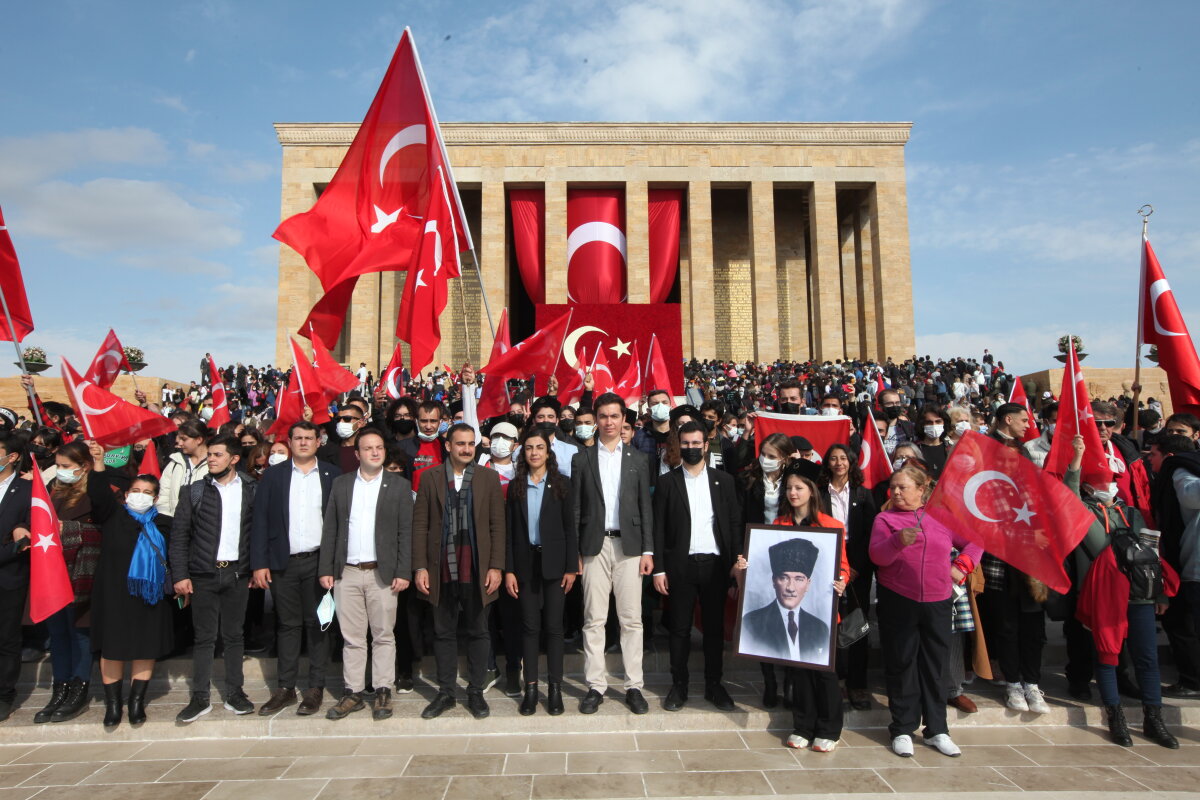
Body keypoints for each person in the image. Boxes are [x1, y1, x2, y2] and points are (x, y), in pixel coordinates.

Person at [1071, 432, 1179, 749]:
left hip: (1140, 594)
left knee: (1147, 658)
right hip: (1104, 595)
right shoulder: (1085, 513)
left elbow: (1152, 552)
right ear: (1090, 487)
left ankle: (1153, 718)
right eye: (1104, 480)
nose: (1111, 485)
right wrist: (1076, 461)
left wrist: (1159, 594)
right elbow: (1068, 495)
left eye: (1112, 480)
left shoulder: (1130, 513)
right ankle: (1116, 717)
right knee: (1108, 656)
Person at [870, 465, 982, 758]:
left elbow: (976, 541)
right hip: (899, 600)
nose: (896, 493)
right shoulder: (885, 518)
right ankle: (903, 728)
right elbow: (877, 556)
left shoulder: (942, 517)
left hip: (938, 601)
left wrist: (961, 566)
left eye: (903, 487)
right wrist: (897, 540)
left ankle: (937, 729)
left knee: (935, 666)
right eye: (893, 487)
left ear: (922, 489)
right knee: (902, 663)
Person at [743, 469, 847, 751]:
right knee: (798, 671)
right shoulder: (779, 523)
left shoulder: (831, 525)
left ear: (811, 491)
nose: (793, 493)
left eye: (799, 487)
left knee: (824, 672)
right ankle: (803, 725)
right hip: (788, 616)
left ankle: (829, 729)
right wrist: (745, 565)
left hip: (823, 611)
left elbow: (844, 566)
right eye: (789, 488)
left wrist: (842, 580)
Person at [412, 423, 506, 720]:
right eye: (460, 443)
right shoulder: (429, 478)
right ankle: (446, 693)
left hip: (477, 568)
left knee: (479, 631)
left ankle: (475, 691)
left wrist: (496, 566)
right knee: (443, 633)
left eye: (470, 444)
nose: (466, 449)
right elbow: (420, 525)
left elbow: (497, 525)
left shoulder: (489, 478)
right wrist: (420, 567)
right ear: (449, 446)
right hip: (441, 568)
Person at [318, 428, 412, 721]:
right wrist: (326, 569)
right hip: (347, 572)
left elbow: (405, 532)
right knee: (352, 636)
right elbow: (331, 528)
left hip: (382, 573)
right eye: (368, 448)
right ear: (356, 454)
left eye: (379, 448)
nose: (375, 452)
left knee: (383, 634)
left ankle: (383, 688)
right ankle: (353, 692)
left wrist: (403, 570)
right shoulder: (342, 484)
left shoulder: (398, 486)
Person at [572, 392, 654, 715]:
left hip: (630, 546)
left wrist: (648, 550)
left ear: (624, 420)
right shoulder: (582, 459)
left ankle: (634, 685)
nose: (608, 422)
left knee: (631, 619)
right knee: (594, 619)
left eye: (614, 416)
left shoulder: (637, 459)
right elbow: (576, 508)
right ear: (596, 420)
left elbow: (645, 508)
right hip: (594, 546)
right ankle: (596, 685)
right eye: (603, 416)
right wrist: (576, 551)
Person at [251, 421, 340, 717]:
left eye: (309, 438)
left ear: (318, 441)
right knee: (287, 625)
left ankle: (315, 687)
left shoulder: (331, 475)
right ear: (289, 442)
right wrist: (259, 563)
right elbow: (260, 521)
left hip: (319, 563)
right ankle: (286, 687)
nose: (303, 443)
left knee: (318, 625)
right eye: (298, 438)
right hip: (283, 563)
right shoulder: (274, 476)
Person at [652, 421, 741, 713]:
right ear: (680, 445)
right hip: (681, 567)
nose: (691, 448)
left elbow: (732, 524)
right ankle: (679, 686)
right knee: (679, 630)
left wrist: (736, 563)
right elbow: (659, 530)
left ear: (706, 445)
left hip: (715, 566)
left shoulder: (723, 481)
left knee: (714, 630)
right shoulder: (667, 483)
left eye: (696, 443)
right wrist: (660, 569)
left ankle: (715, 685)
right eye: (686, 443)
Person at [169, 433, 257, 723]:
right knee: (204, 637)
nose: (211, 459)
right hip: (203, 574)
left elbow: (256, 533)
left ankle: (235, 692)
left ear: (234, 459)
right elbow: (179, 536)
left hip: (237, 573)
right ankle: (200, 697)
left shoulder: (251, 488)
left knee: (234, 636)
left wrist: (255, 567)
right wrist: (180, 574)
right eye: (209, 454)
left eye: (217, 455)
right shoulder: (194, 491)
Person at [85, 451, 173, 728]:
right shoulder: (112, 515)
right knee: (112, 648)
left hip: (149, 595)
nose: (140, 495)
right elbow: (98, 495)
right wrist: (98, 463)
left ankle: (136, 702)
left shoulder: (164, 524)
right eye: (135, 490)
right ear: (125, 494)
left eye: (147, 492)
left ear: (156, 498)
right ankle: (113, 704)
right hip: (112, 592)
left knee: (144, 646)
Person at [504, 429, 577, 715]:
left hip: (555, 566)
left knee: (554, 628)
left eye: (540, 447)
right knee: (530, 627)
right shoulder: (515, 486)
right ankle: (531, 689)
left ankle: (555, 689)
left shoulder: (562, 484)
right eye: (530, 448)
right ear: (524, 453)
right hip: (525, 565)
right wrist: (509, 570)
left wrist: (571, 567)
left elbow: (570, 530)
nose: (534, 452)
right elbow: (510, 533)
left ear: (548, 452)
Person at [36, 440, 101, 724]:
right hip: (54, 571)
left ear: (83, 467)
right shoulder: (53, 492)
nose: (60, 471)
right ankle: (59, 687)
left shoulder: (97, 492)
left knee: (79, 634)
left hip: (82, 573)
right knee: (58, 633)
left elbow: (107, 530)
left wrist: (71, 528)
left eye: (66, 467)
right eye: (58, 466)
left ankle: (79, 687)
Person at [818, 443, 878, 711]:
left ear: (851, 462)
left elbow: (870, 534)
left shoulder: (864, 495)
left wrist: (855, 567)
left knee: (857, 625)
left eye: (843, 458)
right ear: (827, 463)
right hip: (828, 565)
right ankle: (834, 680)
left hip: (857, 569)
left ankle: (857, 683)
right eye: (834, 458)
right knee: (830, 624)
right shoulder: (819, 493)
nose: (839, 463)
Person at [0, 433, 31, 723]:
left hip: (9, 574)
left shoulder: (26, 490)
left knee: (6, 637)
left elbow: (29, 536)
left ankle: (4, 693)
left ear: (11, 457)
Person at [157, 419, 209, 521]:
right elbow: (163, 495)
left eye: (184, 439)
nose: (179, 443)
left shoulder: (214, 464)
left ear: (199, 440)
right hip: (173, 524)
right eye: (179, 438)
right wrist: (167, 519)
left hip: (203, 528)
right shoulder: (175, 462)